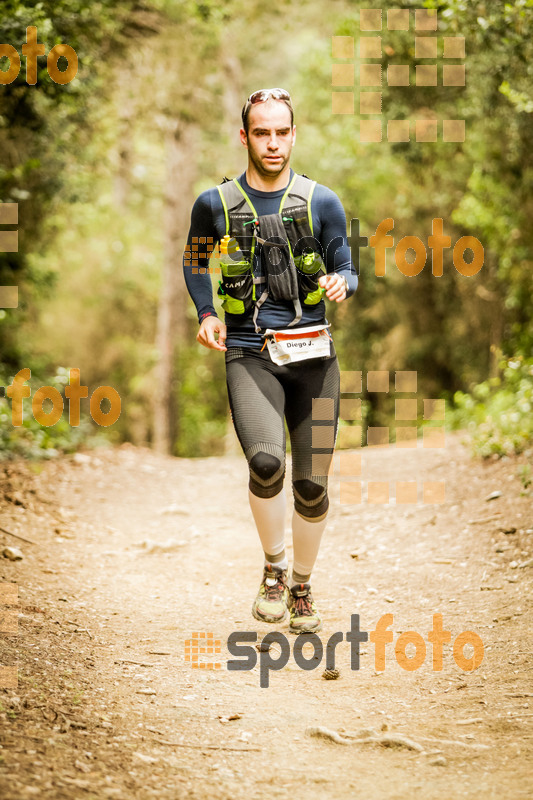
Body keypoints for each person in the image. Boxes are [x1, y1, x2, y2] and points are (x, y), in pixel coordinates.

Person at [183, 88, 357, 633]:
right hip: (248, 353)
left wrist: (339, 282)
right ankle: (275, 570)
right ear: (245, 137)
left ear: (294, 134)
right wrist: (206, 312)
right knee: (266, 464)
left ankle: (303, 585)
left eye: (282, 131)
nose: (273, 142)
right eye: (262, 132)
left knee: (312, 486)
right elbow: (193, 262)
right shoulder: (214, 203)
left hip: (315, 359)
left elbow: (347, 267)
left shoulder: (321, 201)